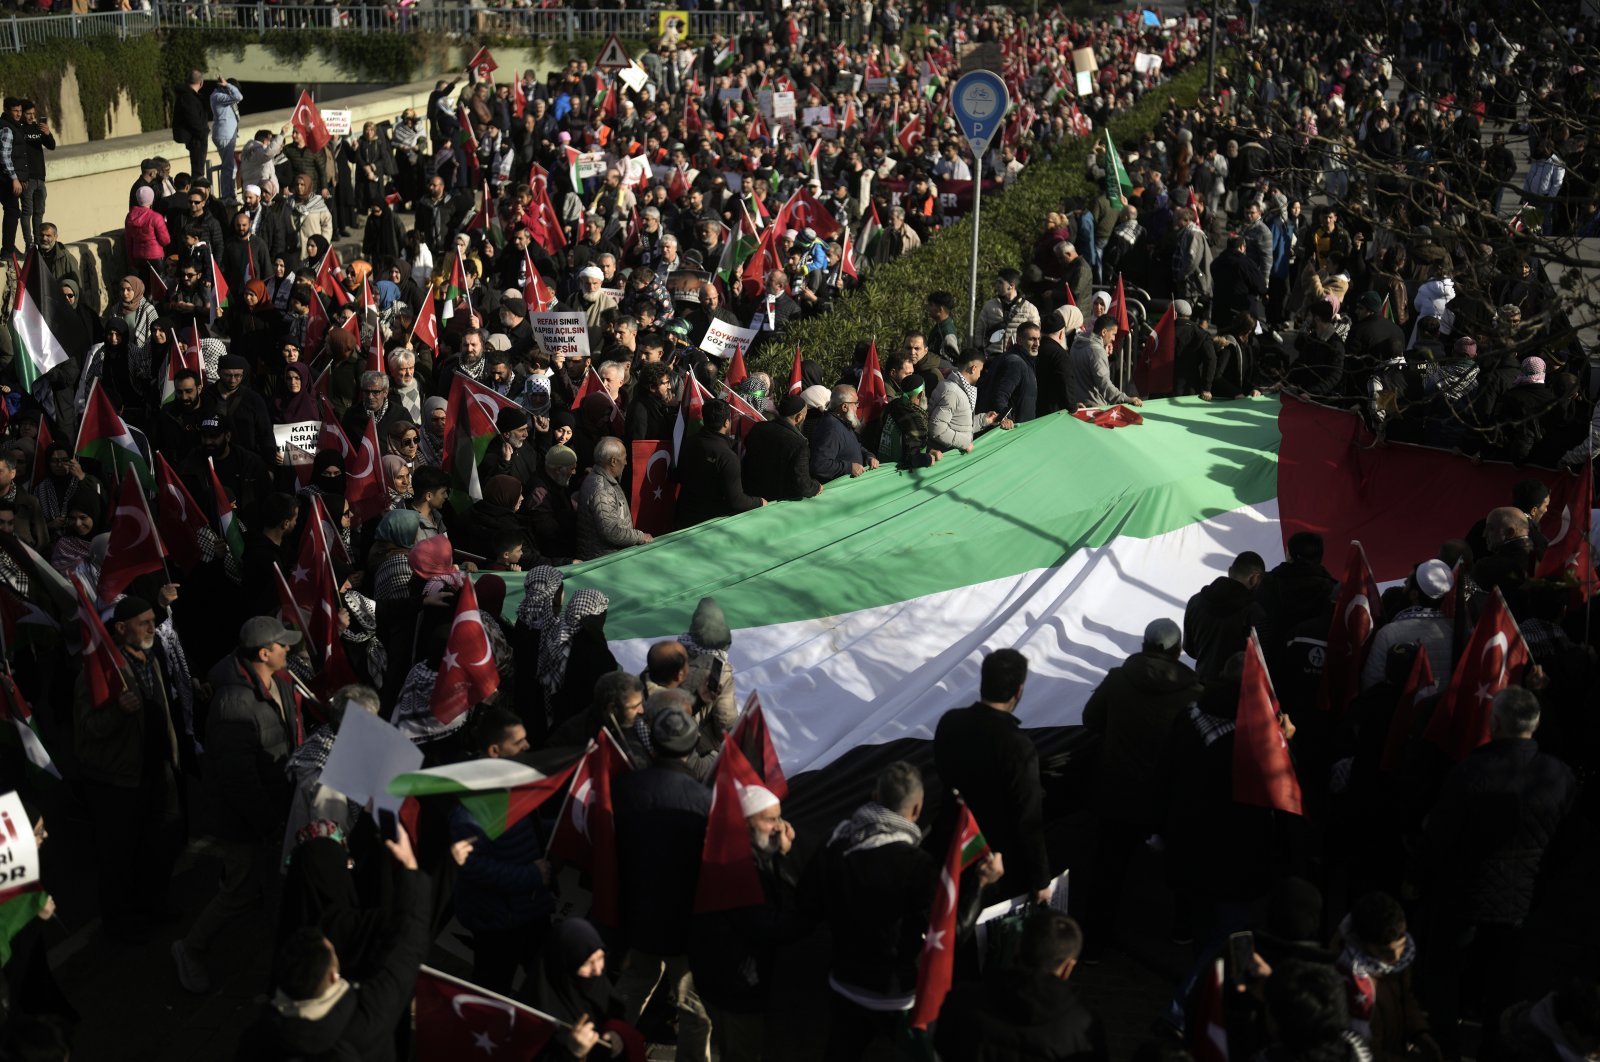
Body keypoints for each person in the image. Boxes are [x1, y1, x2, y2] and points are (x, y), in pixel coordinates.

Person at [808, 761, 1002, 1060]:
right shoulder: (916, 865)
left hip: (844, 983)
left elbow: (810, 906)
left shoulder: (836, 843)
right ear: (917, 809)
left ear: (875, 797)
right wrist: (980, 884)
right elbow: (950, 934)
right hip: (895, 998)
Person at [1422, 687, 1578, 1054]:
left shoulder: (1470, 772)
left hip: (1465, 898)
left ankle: (1446, 1045)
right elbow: (1569, 843)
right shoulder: (1559, 777)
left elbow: (1441, 837)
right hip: (1524, 904)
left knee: (1449, 979)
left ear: (1494, 723)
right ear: (1534, 726)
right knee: (1503, 986)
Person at [174, 616, 304, 994]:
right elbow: (237, 780)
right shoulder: (234, 703)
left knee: (262, 885)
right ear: (264, 653)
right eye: (283, 646)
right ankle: (191, 949)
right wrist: (267, 824)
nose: (289, 649)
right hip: (244, 820)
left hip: (269, 808)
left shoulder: (275, 681)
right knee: (240, 890)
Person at [239, 824, 431, 1062]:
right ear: (332, 976)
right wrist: (411, 870)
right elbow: (406, 948)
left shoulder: (257, 1040)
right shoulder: (366, 1020)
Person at [1081, 618, 1201, 951]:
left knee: (1108, 868)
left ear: (1144, 645)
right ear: (1178, 651)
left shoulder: (1118, 680)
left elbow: (1090, 720)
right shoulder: (1193, 692)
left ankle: (1094, 942)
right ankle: (1182, 932)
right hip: (1168, 796)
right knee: (1182, 866)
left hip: (1118, 789)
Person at [72, 596, 185, 944]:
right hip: (119, 779)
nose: (153, 627)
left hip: (155, 770)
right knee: (119, 854)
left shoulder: (149, 658)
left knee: (158, 843)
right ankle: (119, 923)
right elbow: (87, 730)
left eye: (153, 620)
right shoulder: (99, 671)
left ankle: (153, 904)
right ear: (120, 629)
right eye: (144, 622)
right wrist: (118, 711)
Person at [612, 709, 713, 1062]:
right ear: (692, 747)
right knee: (692, 1007)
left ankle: (607, 1050)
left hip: (636, 913)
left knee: (630, 991)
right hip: (684, 927)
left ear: (652, 745)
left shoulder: (624, 787)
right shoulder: (703, 803)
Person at [449, 707, 555, 995]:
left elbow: (526, 830)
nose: (528, 746)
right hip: (498, 922)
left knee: (547, 983)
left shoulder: (515, 782)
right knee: (491, 990)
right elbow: (472, 866)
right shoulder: (472, 806)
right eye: (518, 742)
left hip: (528, 910)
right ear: (495, 751)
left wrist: (562, 824)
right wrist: (531, 875)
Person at [933, 648, 1051, 903]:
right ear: (1018, 691)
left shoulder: (950, 722)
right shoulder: (1018, 747)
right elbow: (1028, 819)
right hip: (995, 860)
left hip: (951, 844)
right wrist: (1041, 879)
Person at [934, 909, 1107, 1062]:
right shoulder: (1083, 1029)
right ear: (1068, 966)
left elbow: (943, 1047)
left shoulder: (963, 999)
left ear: (1017, 947)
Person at [675, 399, 766, 525]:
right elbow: (737, 501)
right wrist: (759, 502)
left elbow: (677, 475)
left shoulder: (689, 442)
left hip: (683, 517)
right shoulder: (728, 457)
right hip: (709, 524)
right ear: (727, 423)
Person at [1183, 551, 1267, 682]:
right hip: (1239, 692)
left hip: (1204, 687)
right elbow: (1262, 658)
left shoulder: (1195, 602)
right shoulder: (1254, 612)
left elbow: (1190, 649)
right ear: (1254, 578)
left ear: (1229, 571)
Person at [576, 436, 652, 559]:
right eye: (624, 458)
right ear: (613, 461)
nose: (626, 463)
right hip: (604, 559)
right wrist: (639, 537)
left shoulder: (600, 479)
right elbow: (611, 531)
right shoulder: (602, 490)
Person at [743, 393, 823, 501]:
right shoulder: (799, 444)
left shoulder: (758, 427)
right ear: (799, 417)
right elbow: (803, 486)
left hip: (751, 495)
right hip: (776, 502)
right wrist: (816, 486)